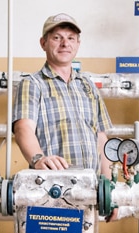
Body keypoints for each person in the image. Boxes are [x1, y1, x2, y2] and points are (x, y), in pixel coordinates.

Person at [12, 13, 113, 178]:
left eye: (71, 38)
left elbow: (101, 138)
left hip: (91, 188)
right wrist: (38, 159)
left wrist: (108, 190)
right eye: (57, 38)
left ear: (78, 44)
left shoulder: (87, 85)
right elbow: (23, 128)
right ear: (43, 43)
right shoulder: (32, 84)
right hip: (52, 187)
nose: (65, 43)